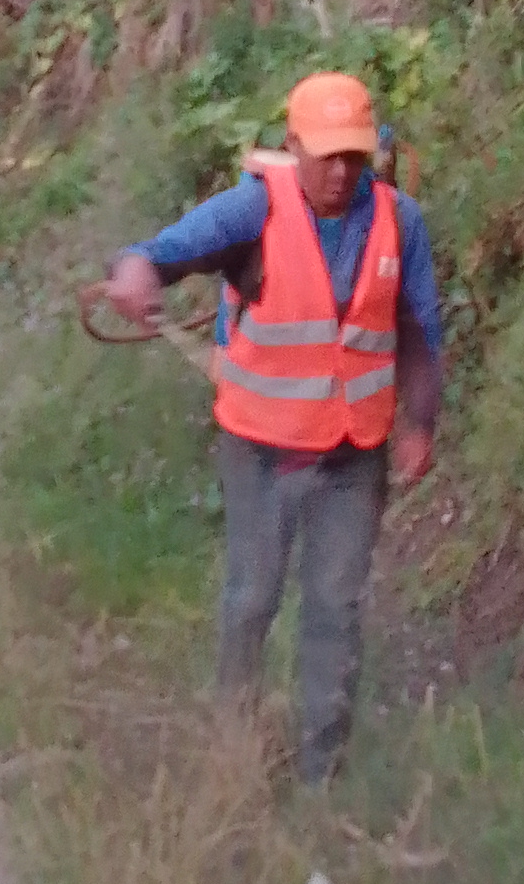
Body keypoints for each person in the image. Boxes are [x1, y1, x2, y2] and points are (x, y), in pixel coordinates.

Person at [104, 70, 442, 784]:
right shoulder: (253, 207)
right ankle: (232, 745)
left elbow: (418, 330)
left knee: (335, 607)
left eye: (353, 155)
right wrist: (135, 271)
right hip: (261, 449)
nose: (340, 172)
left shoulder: (399, 221)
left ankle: (323, 772)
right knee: (252, 598)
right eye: (326, 156)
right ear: (293, 146)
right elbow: (162, 253)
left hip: (354, 453)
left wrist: (420, 423)